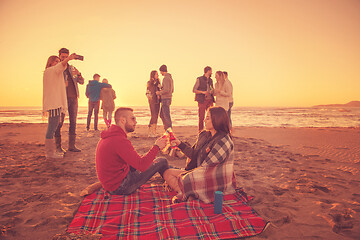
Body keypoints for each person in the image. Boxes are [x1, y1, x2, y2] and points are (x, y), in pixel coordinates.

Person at [163, 106, 236, 203]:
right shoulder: (204, 135)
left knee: (184, 178)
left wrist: (186, 175)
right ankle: (186, 192)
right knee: (167, 173)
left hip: (211, 176)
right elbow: (194, 154)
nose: (204, 120)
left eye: (207, 118)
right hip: (198, 171)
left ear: (217, 120)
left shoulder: (223, 141)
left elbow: (208, 168)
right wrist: (179, 144)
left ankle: (185, 193)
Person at [95, 107, 170, 195]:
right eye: (133, 119)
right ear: (122, 120)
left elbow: (135, 162)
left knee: (151, 161)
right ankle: (173, 180)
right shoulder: (119, 140)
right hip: (120, 187)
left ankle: (172, 173)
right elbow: (142, 166)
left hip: (111, 184)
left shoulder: (110, 136)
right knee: (162, 161)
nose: (136, 122)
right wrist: (156, 146)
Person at [43, 53, 79, 159]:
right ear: (50, 63)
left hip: (56, 103)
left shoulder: (55, 74)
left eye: (59, 62)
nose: (58, 64)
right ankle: (50, 154)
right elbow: (60, 67)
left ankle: (52, 152)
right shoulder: (50, 71)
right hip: (54, 103)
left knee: (53, 127)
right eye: (56, 61)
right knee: (52, 128)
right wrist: (69, 58)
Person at [55, 48, 84, 153]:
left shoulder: (72, 68)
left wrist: (79, 74)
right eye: (62, 57)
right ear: (59, 56)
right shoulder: (58, 68)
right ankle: (58, 146)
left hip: (74, 99)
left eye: (66, 57)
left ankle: (72, 146)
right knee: (59, 122)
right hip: (62, 99)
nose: (64, 59)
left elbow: (81, 81)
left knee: (73, 122)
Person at [193, 66, 215, 132]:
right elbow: (194, 90)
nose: (212, 72)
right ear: (208, 71)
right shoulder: (199, 79)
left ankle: (211, 130)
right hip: (202, 100)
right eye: (211, 71)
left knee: (212, 116)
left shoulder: (211, 80)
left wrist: (212, 91)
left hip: (210, 100)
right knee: (201, 117)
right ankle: (200, 131)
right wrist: (203, 92)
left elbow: (211, 88)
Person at [156, 65, 174, 130]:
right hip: (168, 98)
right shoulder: (170, 78)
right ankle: (166, 129)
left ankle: (169, 130)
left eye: (160, 71)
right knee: (162, 115)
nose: (160, 73)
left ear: (162, 71)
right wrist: (161, 87)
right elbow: (171, 90)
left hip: (165, 99)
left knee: (166, 116)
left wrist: (159, 92)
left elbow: (166, 90)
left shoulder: (166, 78)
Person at [146, 70, 161, 137]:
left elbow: (160, 90)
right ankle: (150, 132)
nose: (158, 75)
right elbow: (147, 92)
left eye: (158, 74)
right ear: (153, 75)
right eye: (156, 74)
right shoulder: (149, 82)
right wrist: (150, 98)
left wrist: (160, 88)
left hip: (158, 101)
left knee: (156, 116)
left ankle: (154, 132)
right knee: (153, 115)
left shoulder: (158, 82)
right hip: (152, 101)